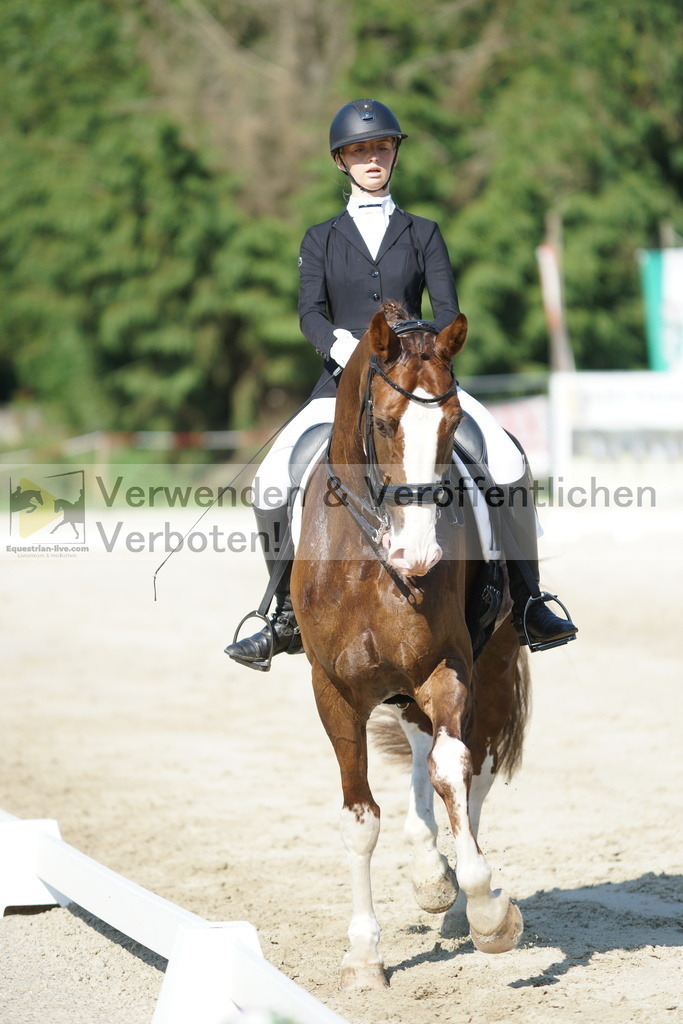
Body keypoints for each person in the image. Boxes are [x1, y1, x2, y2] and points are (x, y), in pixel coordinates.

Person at [225, 98, 577, 670]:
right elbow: (309, 313)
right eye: (360, 151)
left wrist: (420, 349)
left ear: (394, 154)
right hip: (340, 386)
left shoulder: (423, 232)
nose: (373, 158)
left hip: (417, 382)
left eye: (382, 148)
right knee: (270, 481)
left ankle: (531, 600)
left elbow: (448, 310)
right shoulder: (320, 238)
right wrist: (343, 347)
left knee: (508, 462)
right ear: (341, 161)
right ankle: (281, 614)